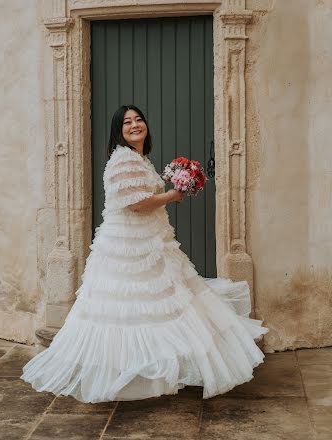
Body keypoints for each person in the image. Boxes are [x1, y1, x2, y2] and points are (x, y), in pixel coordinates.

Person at [20, 104, 268, 403]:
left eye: (139, 119)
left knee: (164, 305)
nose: (135, 125)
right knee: (129, 309)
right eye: (127, 122)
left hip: (152, 241)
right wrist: (172, 195)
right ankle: (126, 373)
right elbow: (136, 203)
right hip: (130, 247)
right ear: (118, 131)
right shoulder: (123, 159)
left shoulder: (140, 159)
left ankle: (155, 370)